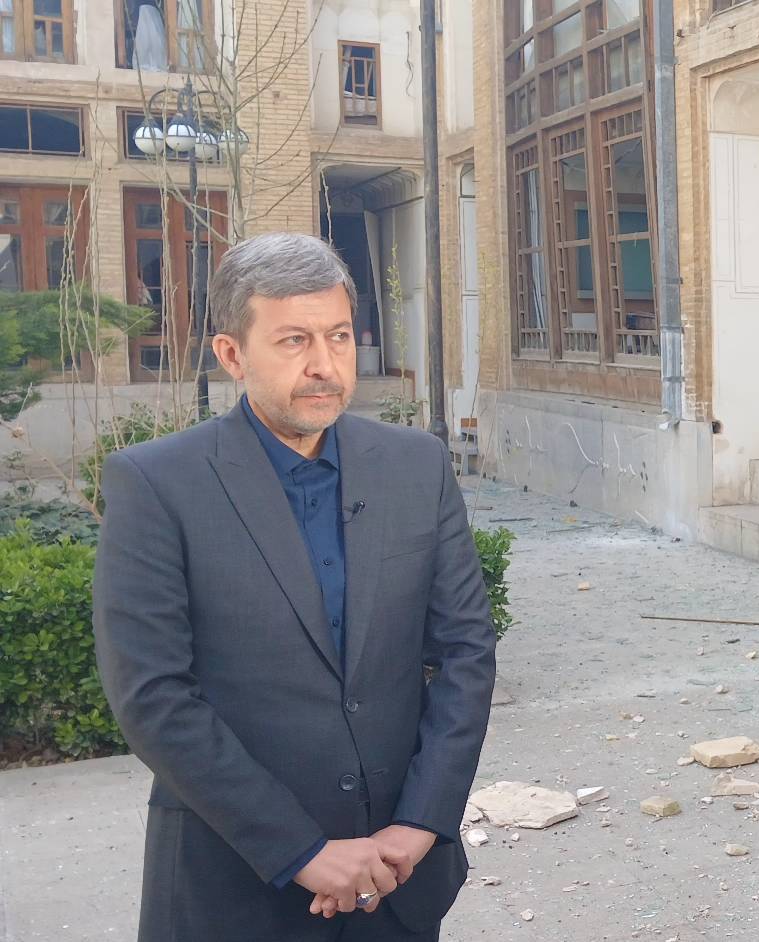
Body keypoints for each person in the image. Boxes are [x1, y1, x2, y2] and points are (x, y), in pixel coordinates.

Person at [93, 233, 497, 942]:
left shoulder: (417, 465)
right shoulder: (157, 484)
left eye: (339, 336)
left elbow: (466, 650)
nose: (324, 365)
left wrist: (421, 821)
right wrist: (301, 852)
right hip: (234, 887)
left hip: (397, 879)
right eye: (293, 341)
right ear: (231, 355)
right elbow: (152, 695)